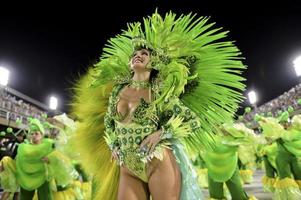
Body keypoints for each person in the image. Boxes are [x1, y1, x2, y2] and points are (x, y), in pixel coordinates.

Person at [72, 11, 246, 199]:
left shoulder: (160, 93)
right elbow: (109, 122)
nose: (138, 55)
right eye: (135, 54)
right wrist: (114, 144)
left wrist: (161, 133)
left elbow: (191, 120)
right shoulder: (117, 92)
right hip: (127, 165)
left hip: (158, 161)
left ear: (153, 62)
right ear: (130, 63)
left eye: (144, 53)